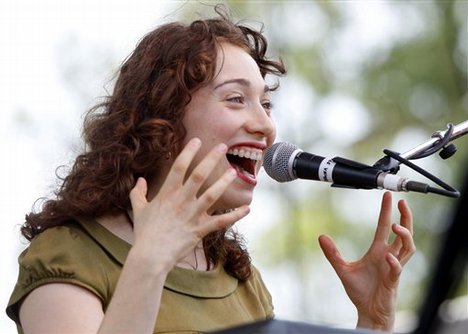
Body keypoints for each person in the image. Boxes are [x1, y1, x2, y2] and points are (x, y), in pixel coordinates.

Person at [6, 5, 415, 334]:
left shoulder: (241, 281)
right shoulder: (70, 255)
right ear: (161, 118)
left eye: (266, 104)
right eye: (236, 99)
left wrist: (372, 325)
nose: (266, 125)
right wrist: (149, 262)